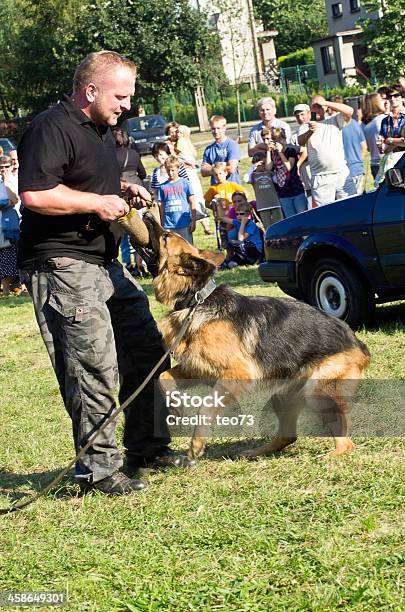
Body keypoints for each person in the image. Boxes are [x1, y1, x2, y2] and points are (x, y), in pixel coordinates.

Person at [17, 50, 193, 497]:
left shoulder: (100, 131)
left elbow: (79, 179)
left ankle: (147, 448)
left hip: (104, 262)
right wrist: (97, 204)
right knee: (92, 365)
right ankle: (97, 472)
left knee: (146, 348)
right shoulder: (49, 127)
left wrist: (119, 187)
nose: (127, 106)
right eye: (121, 96)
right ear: (90, 90)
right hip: (62, 264)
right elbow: (36, 194)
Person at [298, 95, 356, 207]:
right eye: (314, 107)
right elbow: (300, 141)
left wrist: (326, 102)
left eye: (319, 106)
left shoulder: (334, 119)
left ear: (325, 108)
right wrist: (310, 131)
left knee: (352, 207)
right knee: (326, 213)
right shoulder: (306, 126)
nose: (317, 109)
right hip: (321, 178)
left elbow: (350, 111)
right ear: (310, 110)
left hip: (341, 173)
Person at [113, 128, 147, 276]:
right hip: (135, 194)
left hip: (118, 194)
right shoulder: (133, 154)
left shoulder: (110, 155)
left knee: (123, 231)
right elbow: (143, 173)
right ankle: (141, 261)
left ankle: (128, 263)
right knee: (137, 229)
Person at [176, 124, 212, 235]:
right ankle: (202, 218)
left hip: (187, 172)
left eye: (179, 132)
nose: (177, 134)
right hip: (191, 172)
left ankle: (198, 215)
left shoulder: (181, 142)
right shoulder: (186, 142)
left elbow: (181, 155)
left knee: (192, 193)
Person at [263, 127, 307, 218]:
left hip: (296, 189)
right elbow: (268, 167)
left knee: (303, 217)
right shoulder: (272, 153)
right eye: (273, 140)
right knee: (290, 219)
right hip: (283, 192)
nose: (275, 142)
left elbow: (289, 167)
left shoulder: (290, 150)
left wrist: (280, 152)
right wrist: (268, 151)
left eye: (277, 140)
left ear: (283, 139)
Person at [204, 162, 248, 248]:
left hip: (235, 217)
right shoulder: (213, 188)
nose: (218, 176)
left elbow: (245, 193)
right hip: (223, 219)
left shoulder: (232, 185)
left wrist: (240, 205)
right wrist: (215, 209)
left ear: (225, 173)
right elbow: (206, 203)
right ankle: (228, 255)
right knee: (226, 242)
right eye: (216, 175)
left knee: (237, 237)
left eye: (220, 173)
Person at [330, 96, 367, 194]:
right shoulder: (355, 123)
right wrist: (359, 162)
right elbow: (364, 147)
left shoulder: (335, 127)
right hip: (358, 169)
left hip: (346, 172)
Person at [157, 155, 196, 244]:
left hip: (184, 223)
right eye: (168, 170)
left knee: (187, 250)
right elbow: (162, 206)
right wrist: (162, 224)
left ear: (178, 169)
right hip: (169, 225)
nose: (170, 173)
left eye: (173, 170)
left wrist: (193, 221)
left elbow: (192, 202)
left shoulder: (185, 183)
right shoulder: (163, 187)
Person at [217, 199, 263, 269]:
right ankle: (238, 261)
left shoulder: (251, 225)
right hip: (245, 247)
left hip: (255, 249)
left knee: (232, 243)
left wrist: (243, 224)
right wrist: (218, 203)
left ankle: (253, 259)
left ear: (248, 214)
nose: (239, 216)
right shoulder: (238, 222)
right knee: (231, 264)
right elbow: (223, 218)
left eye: (241, 214)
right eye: (237, 214)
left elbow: (240, 239)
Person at [201, 115, 241, 184]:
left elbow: (232, 168)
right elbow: (203, 171)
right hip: (216, 190)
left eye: (218, 128)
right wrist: (223, 165)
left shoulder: (232, 145)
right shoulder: (209, 149)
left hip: (232, 188)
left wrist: (213, 167)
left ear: (224, 128)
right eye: (213, 128)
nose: (216, 131)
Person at [0, 155, 19, 296]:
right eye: (1, 167)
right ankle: (5, 291)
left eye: (7, 166)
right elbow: (11, 200)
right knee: (6, 257)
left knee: (17, 256)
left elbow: (15, 199)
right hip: (3, 227)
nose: (4, 169)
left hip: (17, 224)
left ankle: (20, 287)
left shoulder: (16, 180)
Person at [249, 152, 283, 229]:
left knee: (279, 224)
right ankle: (271, 240)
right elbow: (246, 179)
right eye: (262, 163)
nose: (264, 165)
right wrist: (253, 167)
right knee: (267, 227)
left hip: (274, 203)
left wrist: (273, 169)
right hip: (262, 205)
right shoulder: (253, 175)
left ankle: (281, 239)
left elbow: (278, 181)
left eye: (265, 163)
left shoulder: (270, 173)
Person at [361, 93, 387, 179]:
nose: (385, 101)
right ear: (376, 103)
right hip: (386, 163)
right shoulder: (383, 119)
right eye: (381, 99)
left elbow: (368, 147)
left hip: (374, 164)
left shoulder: (363, 124)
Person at [291, 103, 312, 201]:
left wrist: (298, 163)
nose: (300, 117)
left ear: (309, 114)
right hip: (304, 176)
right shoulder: (294, 136)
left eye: (302, 114)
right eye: (297, 115)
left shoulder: (317, 129)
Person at [379, 85, 405, 150]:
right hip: (392, 159)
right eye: (390, 96)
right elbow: (383, 148)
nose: (392, 99)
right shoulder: (385, 121)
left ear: (403, 98)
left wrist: (389, 140)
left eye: (396, 95)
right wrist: (381, 146)